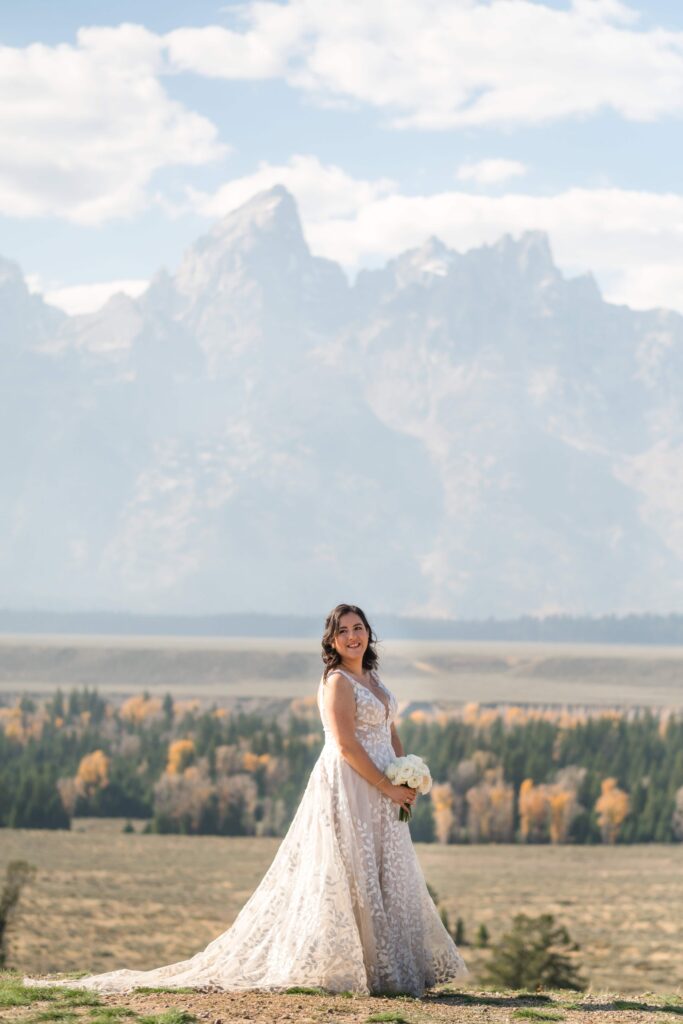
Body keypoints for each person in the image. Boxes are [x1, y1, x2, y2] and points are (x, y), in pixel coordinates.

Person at [25, 603, 467, 996]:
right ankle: (355, 967)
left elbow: (387, 728)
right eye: (344, 630)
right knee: (352, 869)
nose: (354, 636)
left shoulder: (372, 678)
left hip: (384, 786)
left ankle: (385, 969)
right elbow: (346, 746)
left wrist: (404, 770)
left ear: (369, 633)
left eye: (359, 628)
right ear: (332, 641)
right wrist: (385, 784)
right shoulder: (336, 683)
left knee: (382, 868)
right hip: (352, 783)